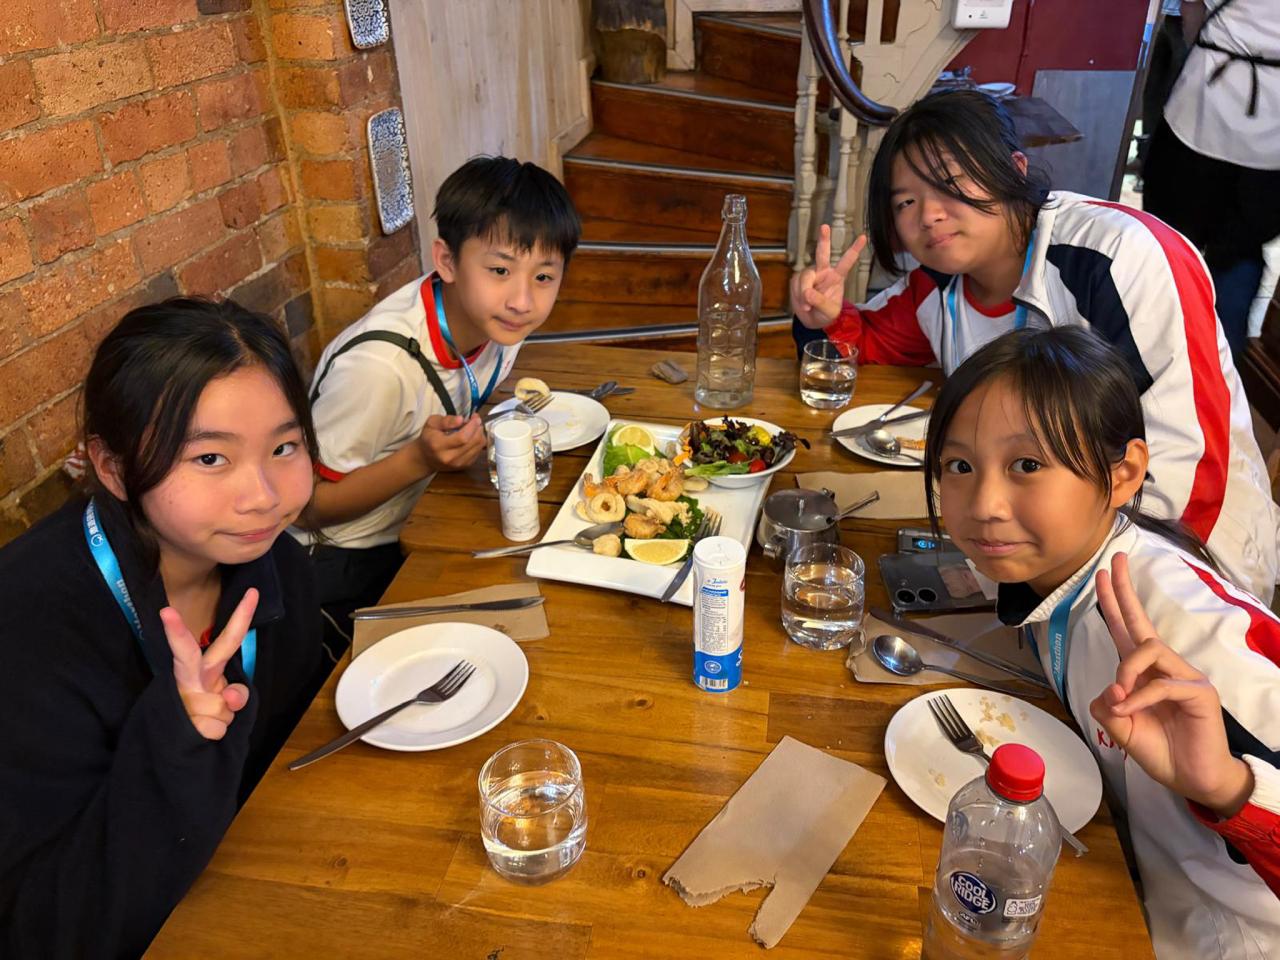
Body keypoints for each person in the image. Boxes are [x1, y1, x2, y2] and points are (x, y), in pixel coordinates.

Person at [791, 89, 1279, 604]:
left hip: (1186, 575)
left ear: (1015, 169)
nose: (929, 215)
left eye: (951, 183)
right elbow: (864, 343)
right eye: (905, 202)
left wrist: (1097, 594)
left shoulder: (1121, 258)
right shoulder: (939, 284)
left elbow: (1189, 468)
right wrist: (822, 318)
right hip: (1028, 553)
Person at [923, 326, 1279, 959]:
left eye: (1027, 465)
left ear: (1124, 475)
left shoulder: (1192, 627)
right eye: (960, 466)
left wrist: (1230, 787)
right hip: (1117, 882)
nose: (985, 504)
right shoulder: (1058, 564)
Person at [0, 298, 323, 958]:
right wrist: (174, 740)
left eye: (284, 447)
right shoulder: (26, 628)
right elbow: (47, 927)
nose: (263, 496)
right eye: (210, 459)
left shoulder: (276, 564)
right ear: (113, 468)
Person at [294, 156, 580, 649]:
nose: (522, 300)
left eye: (543, 277)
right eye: (499, 270)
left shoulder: (498, 321)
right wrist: (419, 460)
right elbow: (304, 508)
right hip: (344, 563)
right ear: (446, 261)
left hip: (423, 514)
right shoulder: (378, 368)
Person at [1144, 0, 1280, 359]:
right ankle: (1218, 371)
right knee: (1240, 256)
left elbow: (1192, 14)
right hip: (1272, 142)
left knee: (1167, 247)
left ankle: (1147, 361)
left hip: (1202, 113)